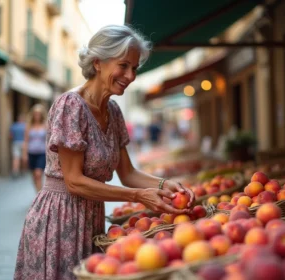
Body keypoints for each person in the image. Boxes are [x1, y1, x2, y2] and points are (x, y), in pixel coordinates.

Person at [14, 25, 195, 280]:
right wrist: (138, 196)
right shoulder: (71, 105)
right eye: (123, 66)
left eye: (134, 68)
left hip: (91, 221)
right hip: (59, 220)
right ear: (98, 62)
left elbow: (128, 173)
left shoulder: (114, 111)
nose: (131, 75)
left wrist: (168, 185)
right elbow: (74, 181)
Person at [22, 104, 47, 193]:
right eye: (35, 113)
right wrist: (24, 154)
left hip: (42, 153)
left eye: (39, 114)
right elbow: (26, 140)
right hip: (31, 153)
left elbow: (48, 140)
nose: (37, 115)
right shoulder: (29, 125)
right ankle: (38, 193)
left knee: (38, 174)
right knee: (33, 176)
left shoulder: (45, 125)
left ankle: (39, 196)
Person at [9, 113, 26, 179]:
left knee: (16, 158)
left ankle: (15, 171)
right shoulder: (25, 126)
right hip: (23, 143)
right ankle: (23, 170)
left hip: (15, 143)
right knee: (23, 158)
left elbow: (10, 136)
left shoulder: (14, 126)